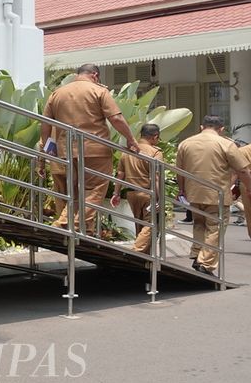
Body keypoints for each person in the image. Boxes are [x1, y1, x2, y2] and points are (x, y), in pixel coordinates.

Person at [39, 63, 139, 232]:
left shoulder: (57, 93)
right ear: (94, 75)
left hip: (67, 152)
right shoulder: (98, 91)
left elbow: (45, 124)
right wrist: (131, 140)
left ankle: (64, 223)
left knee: (76, 193)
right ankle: (75, 225)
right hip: (96, 149)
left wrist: (48, 148)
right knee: (94, 190)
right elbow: (116, 119)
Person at [175, 115, 251, 275]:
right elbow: (243, 170)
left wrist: (181, 190)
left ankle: (197, 254)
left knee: (199, 224)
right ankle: (205, 262)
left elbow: (179, 172)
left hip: (193, 193)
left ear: (202, 127)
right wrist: (249, 188)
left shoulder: (185, 143)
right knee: (215, 228)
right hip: (217, 195)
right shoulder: (226, 144)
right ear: (221, 129)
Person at [110, 123, 163, 254]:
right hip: (147, 193)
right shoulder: (155, 152)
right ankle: (137, 251)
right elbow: (156, 178)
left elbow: (120, 175)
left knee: (140, 226)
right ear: (155, 137)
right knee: (151, 225)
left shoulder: (127, 152)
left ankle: (145, 258)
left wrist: (116, 193)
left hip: (131, 194)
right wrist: (159, 199)